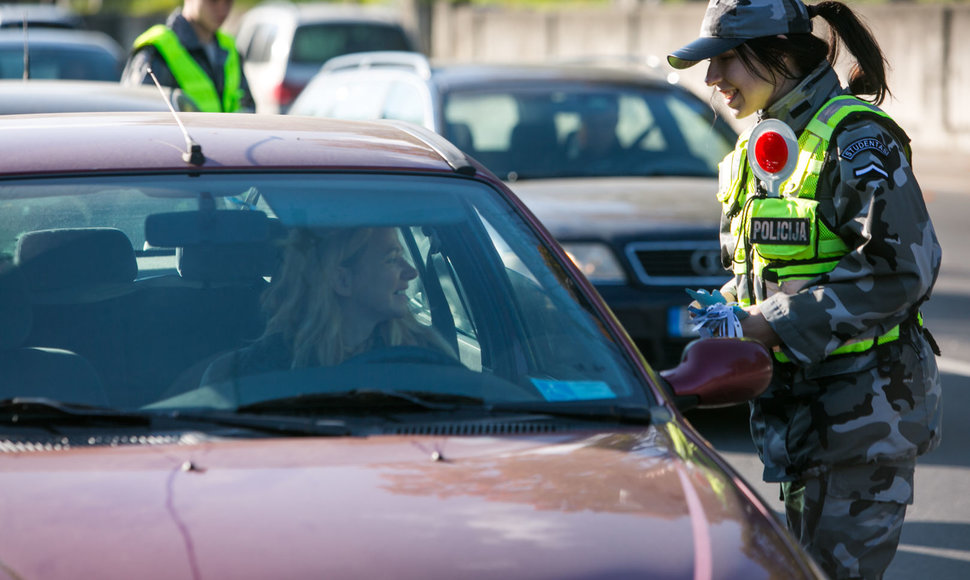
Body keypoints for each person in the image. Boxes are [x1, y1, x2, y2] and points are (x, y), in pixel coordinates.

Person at [668, 1, 942, 578]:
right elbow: (765, 269)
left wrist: (770, 323)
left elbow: (904, 268)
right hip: (798, 425)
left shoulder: (856, 140)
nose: (712, 80)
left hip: (863, 424)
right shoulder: (754, 150)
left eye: (725, 61)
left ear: (781, 54)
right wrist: (724, 312)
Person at [205, 226, 455, 380]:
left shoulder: (426, 354)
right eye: (392, 259)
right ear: (342, 279)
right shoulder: (252, 372)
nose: (411, 272)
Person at [121, 0, 254, 113]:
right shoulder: (156, 49)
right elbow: (139, 122)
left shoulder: (230, 47)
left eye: (228, 1)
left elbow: (248, 107)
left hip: (228, 143)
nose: (222, 8)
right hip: (180, 143)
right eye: (213, 0)